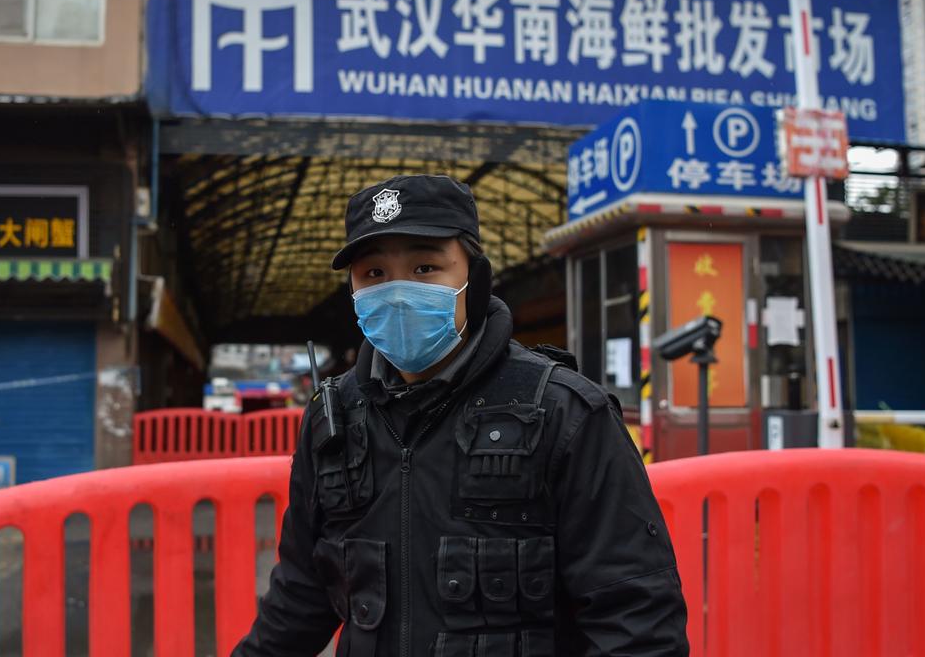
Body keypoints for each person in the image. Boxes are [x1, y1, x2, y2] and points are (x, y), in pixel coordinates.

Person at [233, 174, 688, 657]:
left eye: (426, 267)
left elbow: (636, 620)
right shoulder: (334, 422)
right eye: (374, 275)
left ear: (474, 280)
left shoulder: (564, 413)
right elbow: (301, 595)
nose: (399, 292)